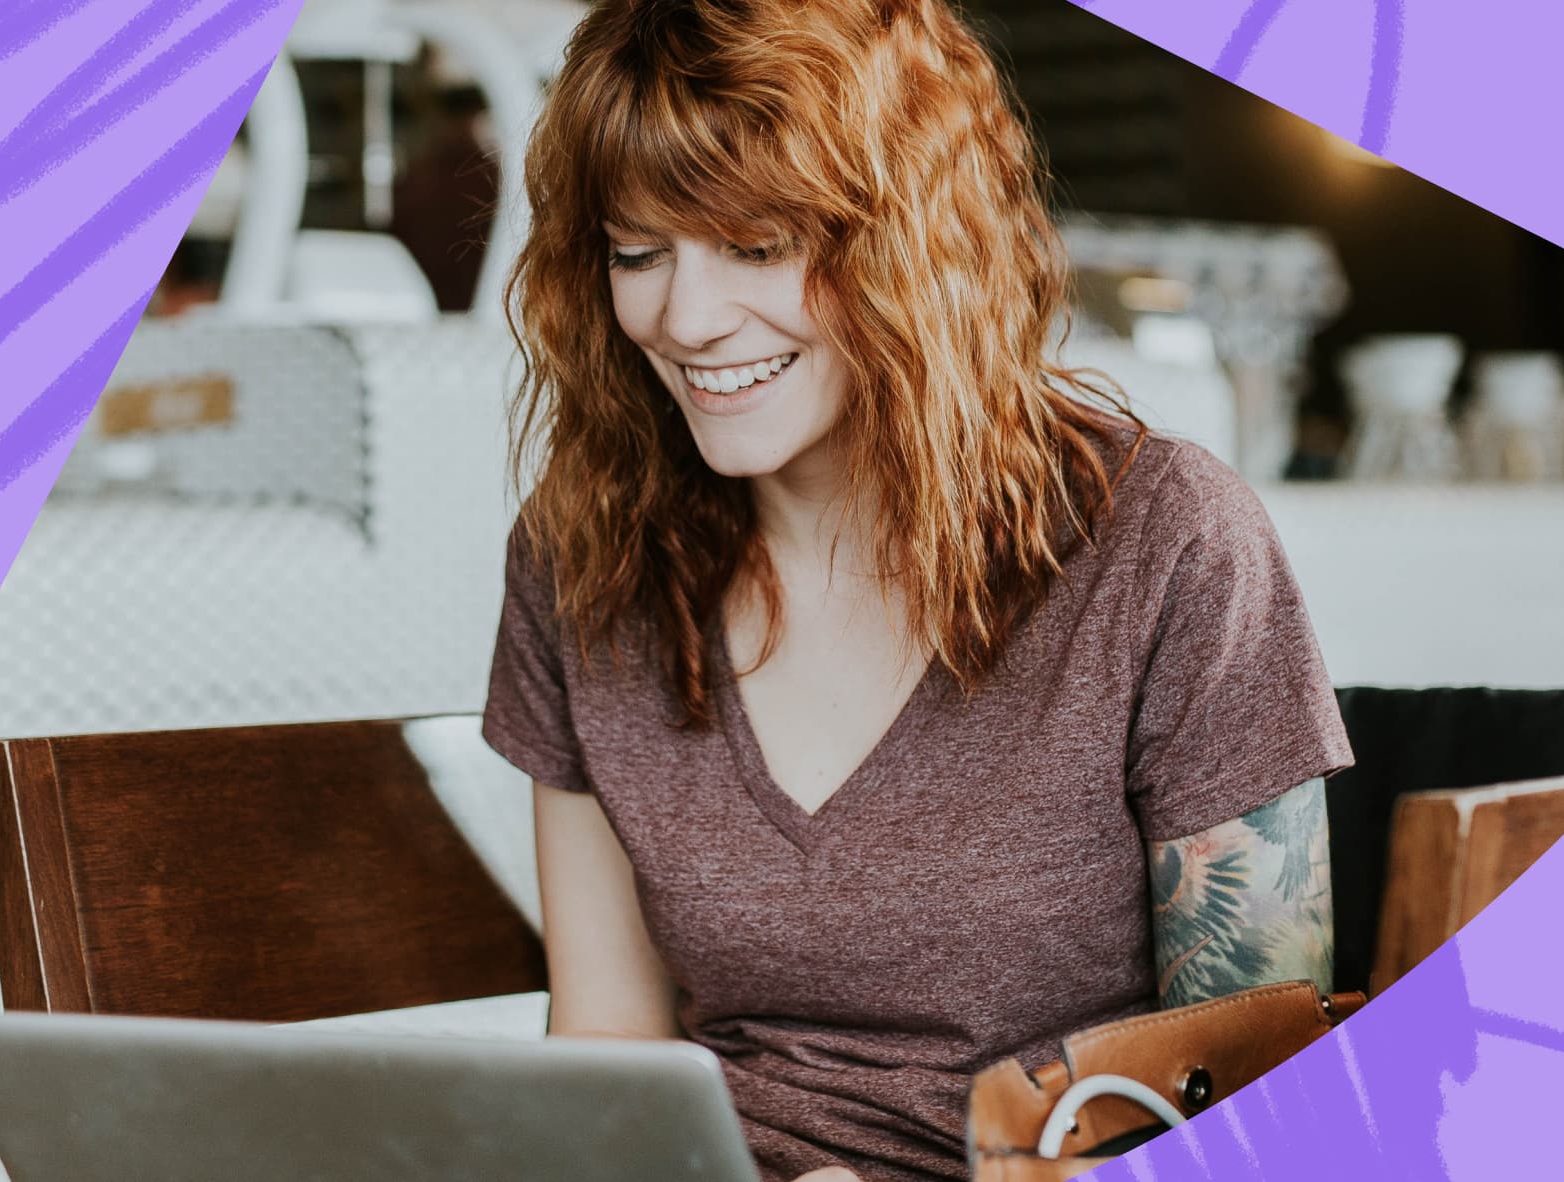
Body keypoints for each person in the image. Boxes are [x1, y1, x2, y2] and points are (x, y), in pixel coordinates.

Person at [481, 1, 1353, 1179]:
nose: (684, 320)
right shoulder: (581, 555)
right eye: (637, 254)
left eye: (757, 246)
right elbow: (605, 1058)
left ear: (912, 237)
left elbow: (1262, 1111)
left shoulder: (1165, 542)